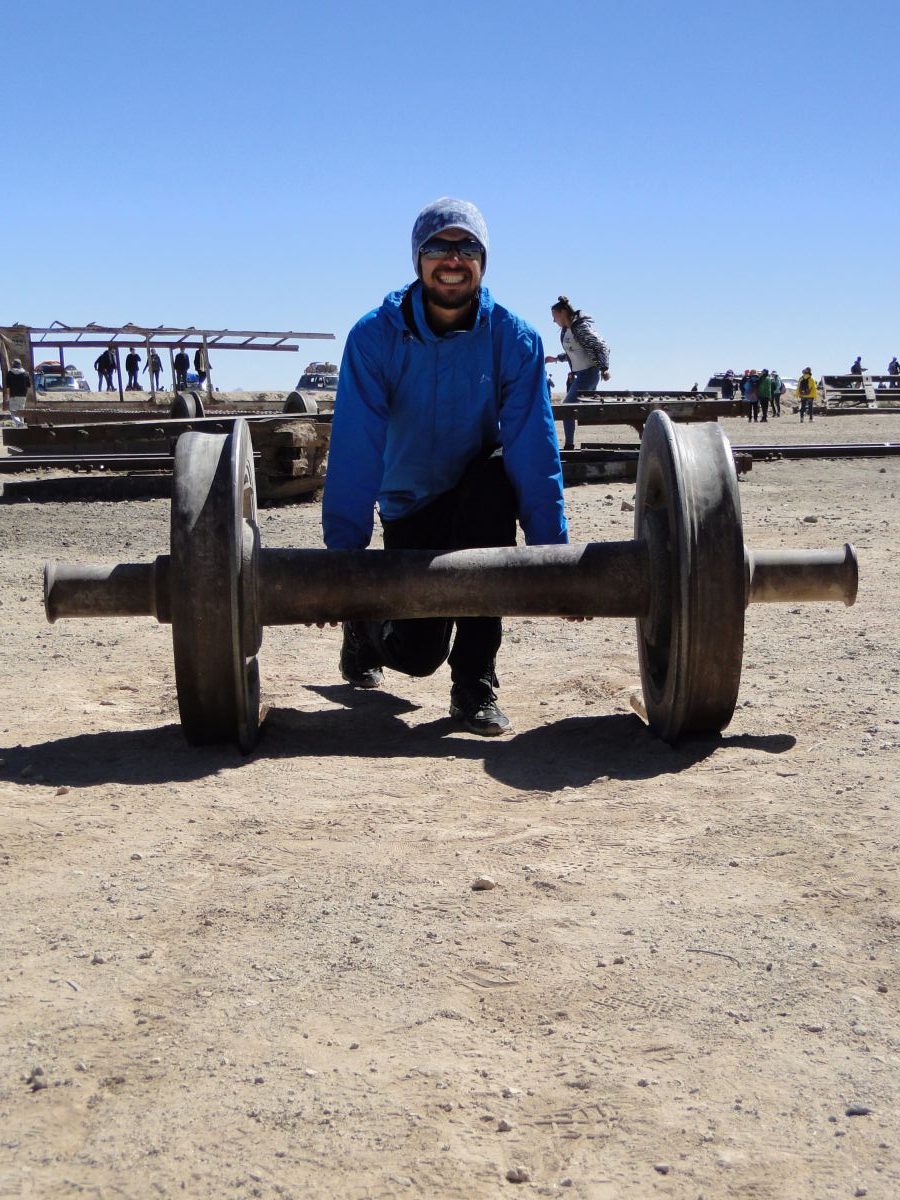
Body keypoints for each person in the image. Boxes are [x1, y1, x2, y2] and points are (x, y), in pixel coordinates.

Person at [322, 197, 568, 736]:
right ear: (418, 258)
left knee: (495, 483)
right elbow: (356, 446)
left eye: (467, 248)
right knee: (416, 655)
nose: (452, 259)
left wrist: (554, 555)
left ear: (483, 261)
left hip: (476, 491)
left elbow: (533, 445)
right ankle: (363, 627)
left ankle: (475, 684)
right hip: (410, 503)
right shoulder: (374, 337)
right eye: (438, 247)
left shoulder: (514, 339)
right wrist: (343, 563)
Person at [545, 296, 610, 450]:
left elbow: (601, 346)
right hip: (581, 374)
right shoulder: (566, 330)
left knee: (567, 407)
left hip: (589, 373)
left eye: (555, 316)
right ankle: (569, 444)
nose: (553, 321)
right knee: (573, 408)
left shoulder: (580, 327)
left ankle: (569, 445)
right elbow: (575, 352)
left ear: (562, 313)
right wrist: (556, 358)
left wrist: (604, 368)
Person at [3, 357, 31, 423]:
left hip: (13, 396)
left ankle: (19, 423)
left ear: (13, 365)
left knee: (13, 412)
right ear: (20, 365)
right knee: (21, 412)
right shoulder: (26, 373)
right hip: (23, 396)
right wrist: (25, 395)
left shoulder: (9, 373)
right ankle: (21, 425)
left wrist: (7, 397)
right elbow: (28, 386)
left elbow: (8, 387)